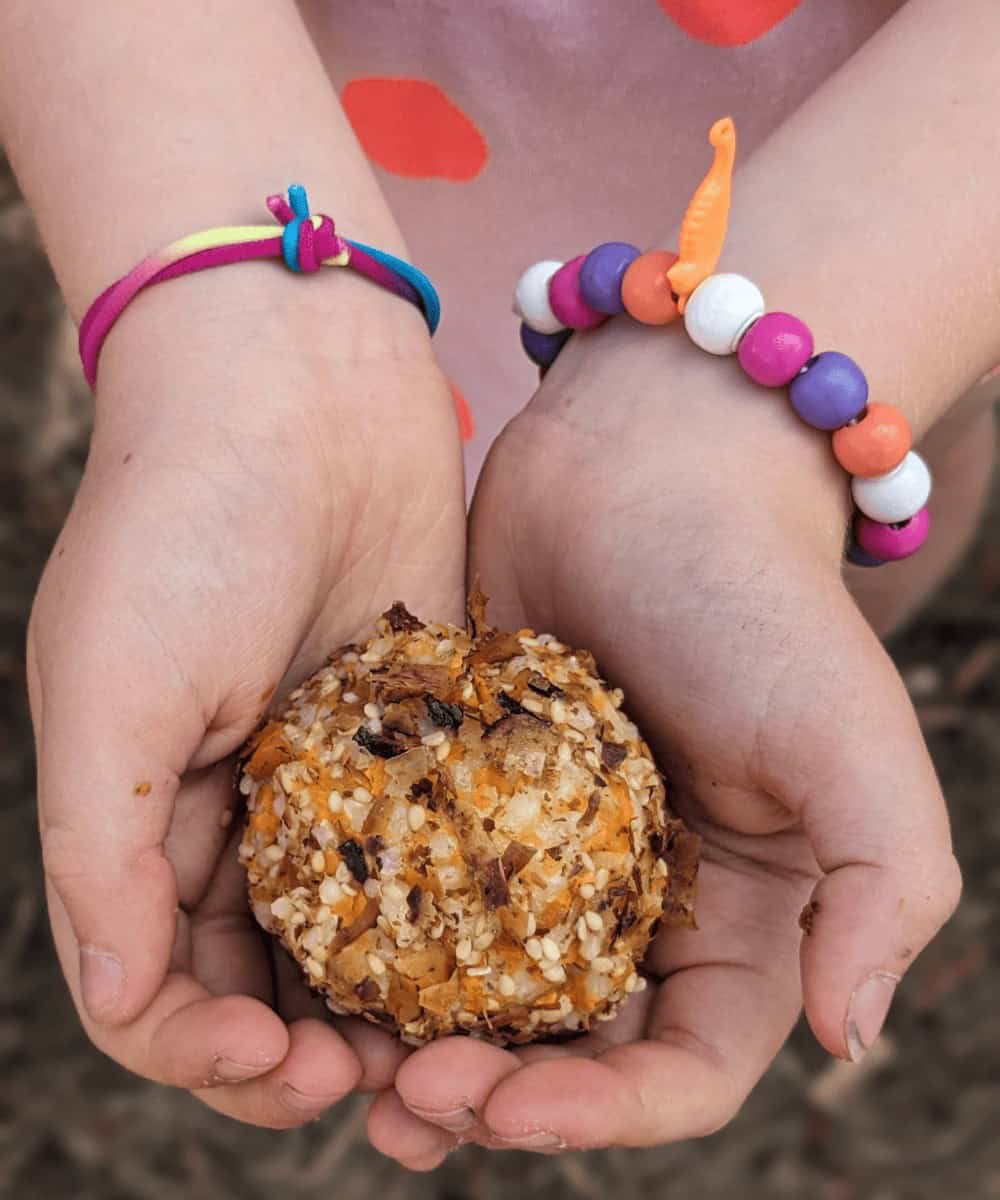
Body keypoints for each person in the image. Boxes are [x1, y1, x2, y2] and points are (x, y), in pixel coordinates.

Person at [1, 0, 996, 1173]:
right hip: (297, 152)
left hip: (892, 243)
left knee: (796, 586)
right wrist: (236, 356)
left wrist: (732, 460)